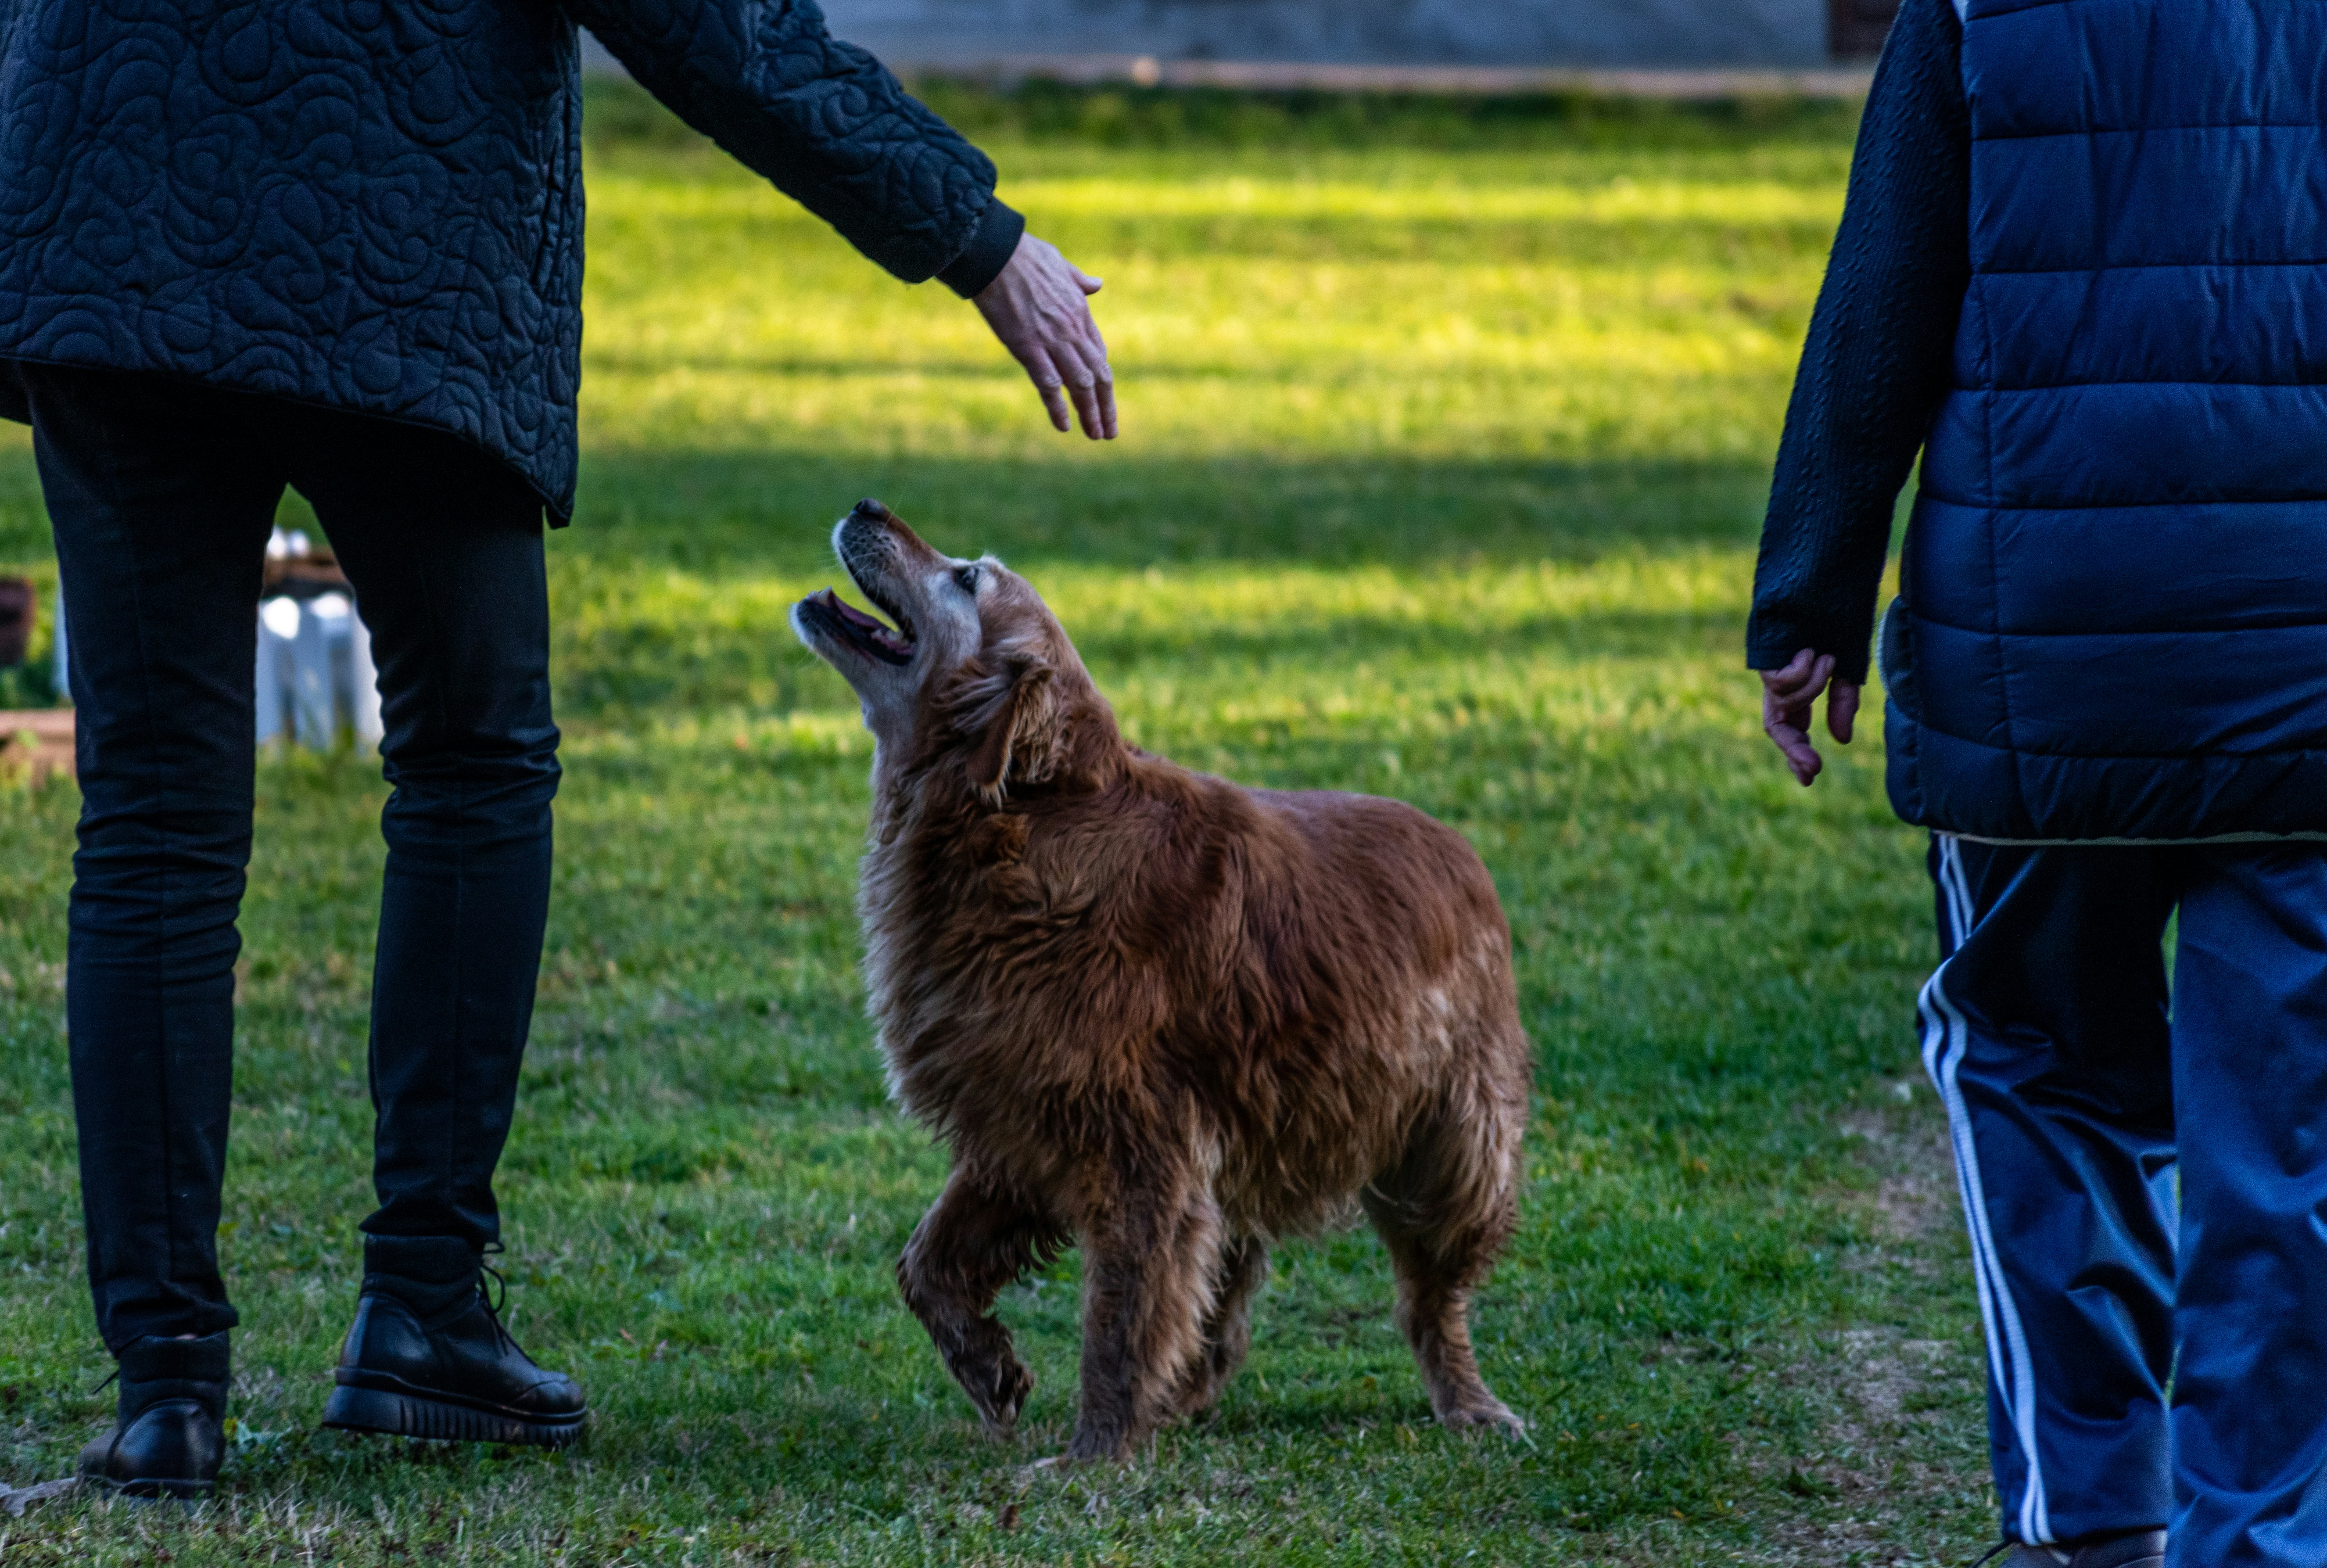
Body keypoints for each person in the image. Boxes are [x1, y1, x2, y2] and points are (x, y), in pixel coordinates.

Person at [0, 0, 1116, 1498]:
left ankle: (165, 1402)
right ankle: (421, 1315)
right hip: (407, 233)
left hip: (113, 208)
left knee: (151, 823)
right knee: (470, 768)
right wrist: (978, 237)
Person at [1748, 0, 2327, 1564]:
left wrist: (1809, 598)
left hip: (2042, 646)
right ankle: (2263, 1538)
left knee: (2036, 1068)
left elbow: (1883, 293)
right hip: (2304, 653)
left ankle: (2088, 1522)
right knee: (2287, 1140)